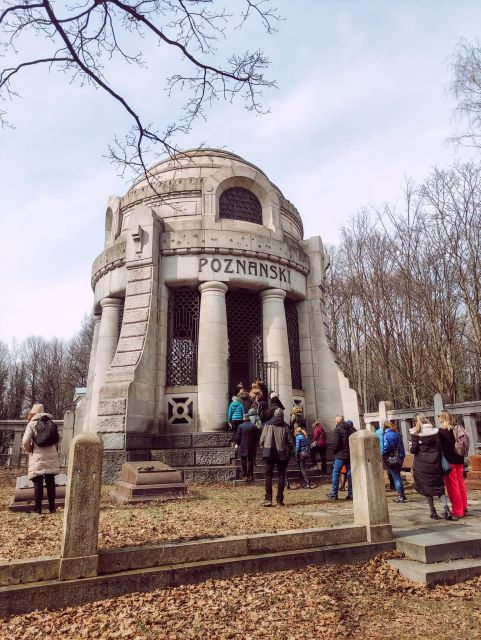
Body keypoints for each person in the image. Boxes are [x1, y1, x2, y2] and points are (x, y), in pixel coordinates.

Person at [410, 414, 456, 520]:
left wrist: (411, 447)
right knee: (439, 487)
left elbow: (414, 449)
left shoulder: (416, 434)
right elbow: (440, 447)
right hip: (436, 463)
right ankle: (447, 510)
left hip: (422, 465)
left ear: (416, 422)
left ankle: (433, 512)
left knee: (427, 488)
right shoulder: (435, 432)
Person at [21, 403, 60, 515]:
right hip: (51, 455)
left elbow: (25, 441)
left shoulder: (32, 424)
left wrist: (30, 450)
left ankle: (37, 509)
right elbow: (58, 438)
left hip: (38, 456)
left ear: (33, 413)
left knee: (38, 482)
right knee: (50, 482)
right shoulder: (51, 423)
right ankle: (52, 508)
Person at [259, 408, 294, 506]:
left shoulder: (267, 425)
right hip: (282, 454)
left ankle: (268, 499)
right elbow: (291, 443)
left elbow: (262, 440)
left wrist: (264, 448)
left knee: (268, 475)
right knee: (281, 476)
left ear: (274, 415)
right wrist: (289, 450)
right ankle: (279, 501)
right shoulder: (286, 426)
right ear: (282, 416)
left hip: (269, 452)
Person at [438, 410, 468, 518]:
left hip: (449, 461)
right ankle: (464, 507)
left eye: (439, 416)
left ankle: (457, 510)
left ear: (442, 418)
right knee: (461, 484)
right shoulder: (456, 428)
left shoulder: (441, 432)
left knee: (452, 486)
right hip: (459, 458)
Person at [329, 417, 355, 501]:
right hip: (349, 454)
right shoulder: (350, 430)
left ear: (337, 421)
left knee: (336, 473)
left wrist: (333, 451)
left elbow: (336, 443)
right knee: (349, 473)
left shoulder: (338, 430)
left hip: (340, 455)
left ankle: (334, 494)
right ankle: (351, 494)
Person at [381, 420, 407, 503]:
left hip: (391, 458)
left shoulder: (386, 435)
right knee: (398, 476)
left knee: (396, 477)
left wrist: (382, 452)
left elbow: (386, 447)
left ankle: (400, 496)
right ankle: (402, 495)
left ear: (385, 427)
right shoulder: (397, 434)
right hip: (400, 457)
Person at [235, 413, 260, 482]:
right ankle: (251, 475)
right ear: (248, 419)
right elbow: (256, 437)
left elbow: (238, 437)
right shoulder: (253, 426)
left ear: (243, 419)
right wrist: (255, 444)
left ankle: (245, 475)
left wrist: (237, 444)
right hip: (251, 445)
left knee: (243, 461)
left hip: (242, 446)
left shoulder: (240, 426)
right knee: (250, 461)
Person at [375, 422, 396, 491]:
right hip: (388, 453)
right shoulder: (391, 432)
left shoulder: (376, 432)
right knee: (390, 469)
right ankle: (392, 485)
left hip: (380, 453)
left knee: (380, 469)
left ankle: (380, 485)